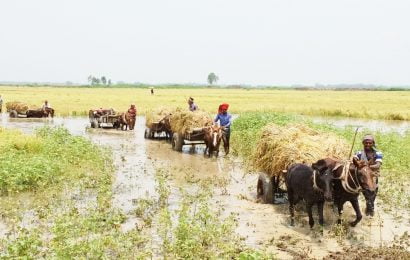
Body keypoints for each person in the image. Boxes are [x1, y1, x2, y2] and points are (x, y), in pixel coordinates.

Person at [354, 134, 383, 216]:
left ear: (373, 143)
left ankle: (370, 208)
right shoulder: (359, 152)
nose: (368, 145)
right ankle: (369, 209)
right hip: (363, 176)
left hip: (372, 176)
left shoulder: (377, 153)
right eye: (366, 143)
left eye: (370, 143)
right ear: (363, 143)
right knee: (366, 193)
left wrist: (367, 166)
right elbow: (355, 160)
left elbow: (377, 165)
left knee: (372, 194)